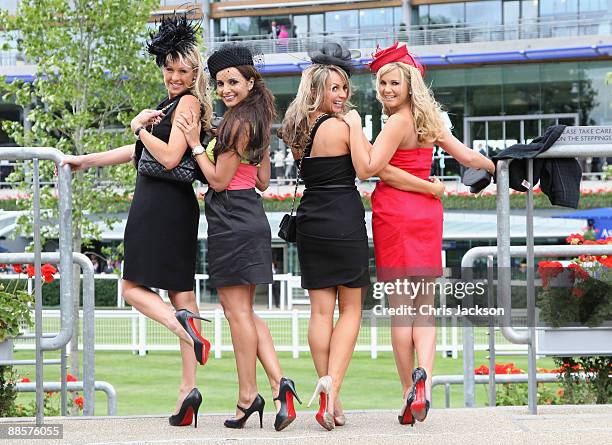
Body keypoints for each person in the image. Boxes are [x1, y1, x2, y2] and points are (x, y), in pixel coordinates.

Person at [279, 42, 444, 431]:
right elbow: (367, 166)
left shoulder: (297, 128)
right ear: (317, 90)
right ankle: (332, 390)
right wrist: (355, 125)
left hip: (310, 223)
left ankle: (328, 394)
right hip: (344, 221)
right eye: (334, 89)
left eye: (343, 89)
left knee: (320, 312)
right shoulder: (340, 126)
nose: (341, 96)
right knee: (350, 310)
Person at [61, 15, 214, 428]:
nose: (175, 77)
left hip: (159, 205)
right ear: (162, 68)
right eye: (170, 70)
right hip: (174, 206)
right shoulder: (168, 105)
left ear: (195, 72)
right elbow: (136, 153)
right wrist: (87, 161)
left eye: (184, 71)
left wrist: (136, 127)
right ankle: (188, 392)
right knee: (183, 295)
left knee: (131, 289)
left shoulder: (188, 104)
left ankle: (183, 331)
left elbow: (165, 157)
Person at [343, 42, 495, 426]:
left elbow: (370, 168)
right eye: (382, 84)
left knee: (401, 312)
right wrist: (497, 167)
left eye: (394, 82)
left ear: (409, 84)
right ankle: (424, 377)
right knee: (424, 308)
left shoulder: (396, 122)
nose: (387, 90)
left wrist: (354, 127)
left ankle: (407, 393)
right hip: (427, 215)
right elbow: (469, 158)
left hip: (395, 214)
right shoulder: (431, 123)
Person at [175, 43, 300, 432]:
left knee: (237, 314)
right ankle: (280, 386)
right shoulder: (258, 118)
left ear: (250, 81)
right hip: (250, 215)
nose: (225, 88)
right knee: (245, 312)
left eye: (233, 81)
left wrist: (196, 143)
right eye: (220, 83)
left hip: (231, 220)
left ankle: (248, 396)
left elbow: (216, 179)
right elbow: (262, 181)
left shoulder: (236, 123)